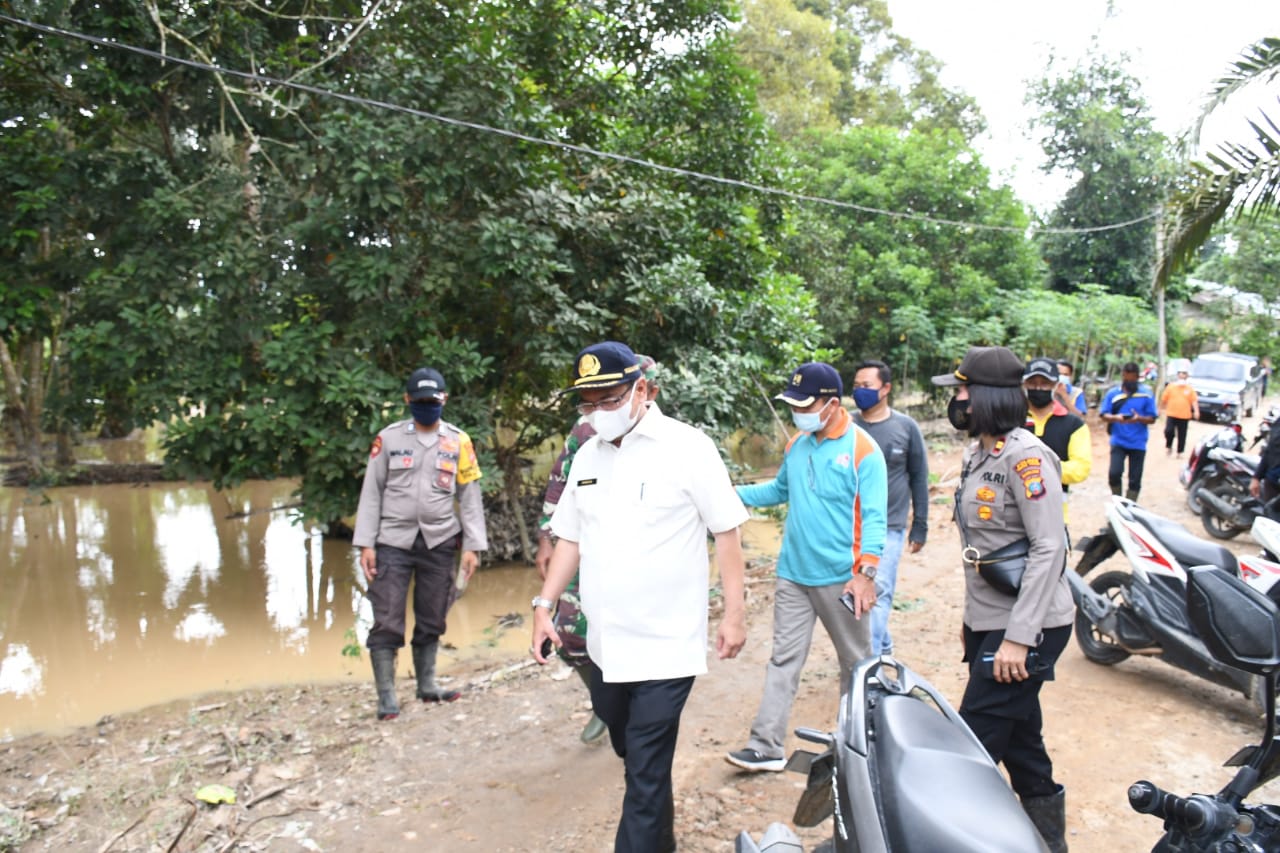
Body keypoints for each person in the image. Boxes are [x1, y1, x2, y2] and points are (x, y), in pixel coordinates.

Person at [530, 341, 747, 853]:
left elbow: (728, 533)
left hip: (666, 645)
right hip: (607, 646)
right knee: (634, 753)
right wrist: (544, 607)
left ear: (642, 390)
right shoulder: (586, 454)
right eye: (588, 403)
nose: (598, 412)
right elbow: (570, 539)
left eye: (609, 399)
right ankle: (660, 839)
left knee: (645, 771)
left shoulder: (688, 447)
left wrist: (734, 615)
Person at [932, 346, 1074, 853]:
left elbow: (1048, 547)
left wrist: (1017, 638)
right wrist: (976, 625)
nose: (958, 401)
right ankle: (1048, 842)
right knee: (1022, 743)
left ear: (988, 395)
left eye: (963, 391)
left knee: (970, 750)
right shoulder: (978, 453)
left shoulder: (1027, 457)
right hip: (992, 619)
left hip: (1029, 625)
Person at [726, 362, 887, 772]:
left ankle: (862, 748)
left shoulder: (863, 450)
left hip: (843, 580)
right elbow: (779, 489)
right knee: (783, 660)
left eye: (804, 403)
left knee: (855, 664)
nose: (797, 411)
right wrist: (729, 494)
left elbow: (875, 518)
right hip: (793, 575)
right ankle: (765, 746)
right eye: (792, 404)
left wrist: (865, 575)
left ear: (832, 404)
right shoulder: (797, 444)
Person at [533, 355, 660, 745]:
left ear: (647, 390)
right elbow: (561, 478)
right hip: (584, 543)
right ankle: (604, 703)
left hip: (640, 556)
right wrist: (545, 537)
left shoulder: (666, 438)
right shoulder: (587, 428)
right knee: (569, 632)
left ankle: (642, 702)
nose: (603, 409)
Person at [353, 367, 488, 721]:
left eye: (434, 400)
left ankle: (426, 684)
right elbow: (371, 493)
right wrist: (365, 543)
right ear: (408, 400)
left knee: (432, 616)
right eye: (421, 400)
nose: (428, 406)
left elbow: (470, 496)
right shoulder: (389, 439)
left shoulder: (459, 441)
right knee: (387, 619)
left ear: (444, 400)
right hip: (391, 541)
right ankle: (386, 698)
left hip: (439, 540)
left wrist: (473, 546)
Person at [850, 359, 928, 656]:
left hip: (889, 528)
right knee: (855, 596)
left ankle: (870, 667)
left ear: (886, 388)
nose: (860, 391)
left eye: (866, 386)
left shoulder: (905, 427)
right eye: (856, 386)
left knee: (877, 593)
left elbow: (919, 476)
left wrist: (920, 524)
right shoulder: (847, 426)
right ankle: (883, 651)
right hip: (849, 528)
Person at [1023, 357, 1092, 517]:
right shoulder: (1011, 421)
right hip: (1013, 518)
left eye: (1045, 383)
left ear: (1057, 386)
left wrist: (1037, 469)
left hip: (1055, 516)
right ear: (1024, 385)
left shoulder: (1074, 425)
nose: (1038, 388)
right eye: (1033, 383)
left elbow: (1081, 468)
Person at [1099, 362, 1158, 501]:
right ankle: (1117, 501)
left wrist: (1139, 418)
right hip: (1118, 440)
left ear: (1138, 377)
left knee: (1135, 479)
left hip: (1138, 442)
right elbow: (1103, 415)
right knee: (1114, 473)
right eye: (1127, 377)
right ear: (1123, 376)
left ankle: (1130, 506)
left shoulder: (1146, 394)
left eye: (1133, 378)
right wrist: (1116, 418)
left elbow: (1152, 418)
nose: (1130, 380)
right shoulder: (1113, 393)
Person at [1159, 368, 1200, 457]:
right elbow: (1164, 399)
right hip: (1171, 413)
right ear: (1177, 375)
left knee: (1182, 434)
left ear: (1187, 376)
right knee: (1168, 431)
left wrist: (1196, 411)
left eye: (1184, 373)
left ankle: (1180, 451)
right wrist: (1160, 409)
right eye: (1180, 373)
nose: (1182, 375)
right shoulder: (1171, 387)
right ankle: (1169, 446)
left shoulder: (1190, 389)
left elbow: (1194, 401)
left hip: (1184, 415)